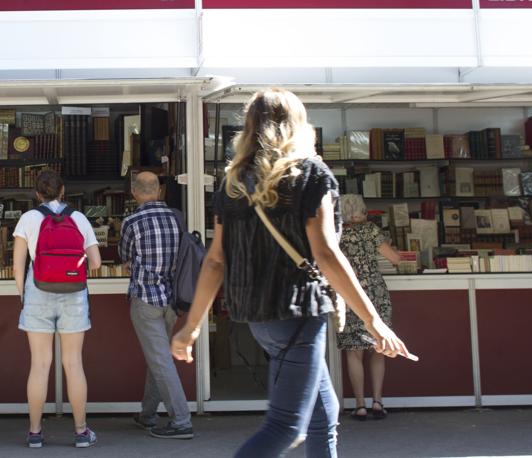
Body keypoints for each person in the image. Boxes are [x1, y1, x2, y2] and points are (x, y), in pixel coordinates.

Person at [170, 89, 412, 458]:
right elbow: (327, 255)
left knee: (324, 413)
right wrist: (374, 321)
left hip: (254, 314)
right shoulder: (312, 175)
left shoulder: (232, 183)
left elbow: (215, 260)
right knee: (285, 426)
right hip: (298, 311)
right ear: (299, 125)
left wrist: (192, 326)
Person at [13, 170, 102, 449]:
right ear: (63, 191)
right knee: (73, 363)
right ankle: (80, 431)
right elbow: (96, 262)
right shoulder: (79, 219)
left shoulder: (28, 219)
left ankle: (36, 432)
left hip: (38, 292)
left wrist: (23, 296)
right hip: (73, 295)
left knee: (39, 364)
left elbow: (17, 267)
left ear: (37, 193)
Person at [118, 170, 193, 439]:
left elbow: (124, 257)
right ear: (159, 191)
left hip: (145, 299)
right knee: (157, 356)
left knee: (160, 359)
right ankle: (147, 414)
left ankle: (182, 420)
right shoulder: (177, 217)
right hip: (172, 301)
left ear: (134, 192)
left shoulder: (131, 222)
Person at [336, 194, 399, 421]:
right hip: (375, 292)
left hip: (349, 294)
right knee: (379, 348)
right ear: (360, 210)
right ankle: (377, 402)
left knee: (355, 352)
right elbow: (395, 258)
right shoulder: (371, 230)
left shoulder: (337, 233)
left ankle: (360, 405)